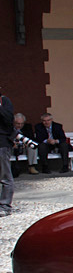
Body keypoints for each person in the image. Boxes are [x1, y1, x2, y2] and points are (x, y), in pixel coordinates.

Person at [0, 86, 13, 216]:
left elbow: (9, 120)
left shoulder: (4, 101)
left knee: (5, 176)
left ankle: (5, 205)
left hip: (2, 142)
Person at [12, 113, 38, 177]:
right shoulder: (8, 128)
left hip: (24, 146)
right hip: (12, 146)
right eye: (18, 123)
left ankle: (31, 166)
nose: (20, 125)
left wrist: (25, 143)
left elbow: (31, 138)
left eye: (22, 123)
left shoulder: (27, 127)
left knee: (32, 146)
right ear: (13, 122)